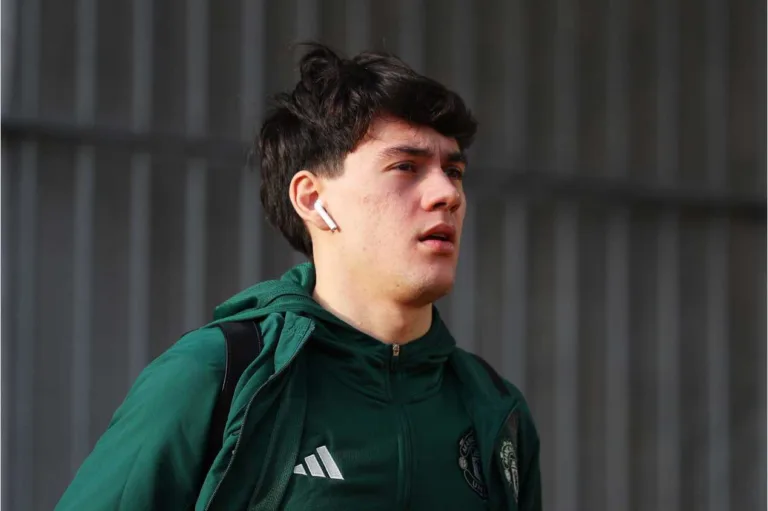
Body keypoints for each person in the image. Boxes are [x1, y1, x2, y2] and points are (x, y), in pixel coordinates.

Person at [55, 43, 541, 510]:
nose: (447, 194)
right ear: (312, 199)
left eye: (453, 171)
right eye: (405, 166)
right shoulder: (216, 379)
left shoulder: (496, 413)